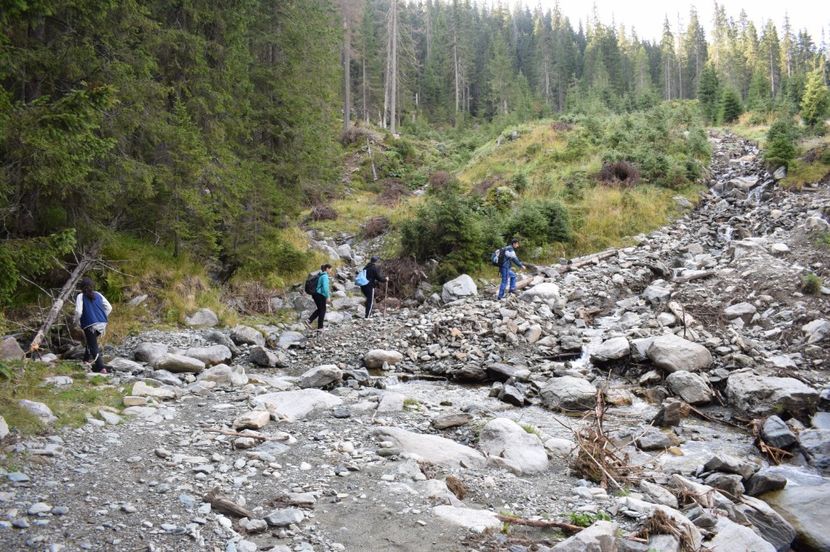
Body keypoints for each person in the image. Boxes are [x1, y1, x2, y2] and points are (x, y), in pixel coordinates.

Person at [74, 276, 112, 373]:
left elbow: (78, 312)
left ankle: (101, 368)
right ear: (92, 286)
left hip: (90, 324)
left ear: (81, 287)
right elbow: (109, 307)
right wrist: (102, 316)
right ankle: (86, 360)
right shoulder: (98, 294)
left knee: (93, 346)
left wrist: (77, 321)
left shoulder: (80, 296)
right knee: (91, 342)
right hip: (102, 323)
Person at [308, 264, 333, 330]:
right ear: (327, 268)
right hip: (320, 295)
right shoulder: (325, 276)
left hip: (316, 294)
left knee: (320, 309)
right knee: (323, 310)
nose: (331, 271)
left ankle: (309, 320)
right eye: (330, 269)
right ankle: (320, 327)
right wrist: (328, 297)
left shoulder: (321, 275)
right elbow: (325, 288)